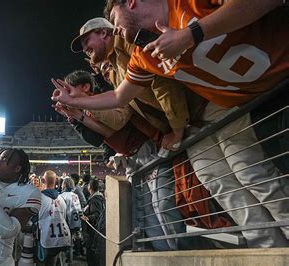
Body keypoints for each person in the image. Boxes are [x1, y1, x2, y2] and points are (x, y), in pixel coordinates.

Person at [52, 0, 289, 248]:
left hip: (235, 97)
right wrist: (78, 103)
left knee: (249, 171)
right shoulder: (142, 52)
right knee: (216, 179)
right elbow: (120, 96)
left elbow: (163, 92)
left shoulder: (171, 16)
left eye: (114, 21)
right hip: (214, 107)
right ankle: (269, 247)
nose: (115, 28)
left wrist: (190, 34)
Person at [69, 17, 206, 150]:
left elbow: (162, 82)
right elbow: (122, 108)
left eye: (87, 41)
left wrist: (177, 128)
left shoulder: (128, 41)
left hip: (199, 109)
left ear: (104, 33)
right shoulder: (114, 69)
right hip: (184, 123)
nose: (85, 49)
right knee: (210, 172)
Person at [36, 171, 71, 266]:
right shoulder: (62, 199)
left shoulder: (38, 199)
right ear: (56, 181)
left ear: (43, 180)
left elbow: (34, 221)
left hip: (44, 240)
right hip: (59, 240)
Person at [81, 178, 105, 266]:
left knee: (92, 254)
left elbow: (97, 214)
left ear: (90, 187)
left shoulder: (95, 200)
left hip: (93, 232)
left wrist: (88, 217)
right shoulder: (97, 198)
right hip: (94, 231)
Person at [60, 177, 83, 264]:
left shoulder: (62, 196)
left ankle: (66, 262)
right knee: (70, 244)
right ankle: (70, 262)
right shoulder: (75, 195)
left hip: (67, 223)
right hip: (75, 223)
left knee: (65, 245)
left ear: (65, 184)